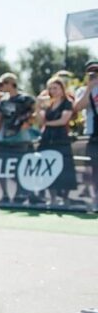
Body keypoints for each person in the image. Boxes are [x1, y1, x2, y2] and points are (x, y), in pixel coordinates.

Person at [0, 72, 38, 204]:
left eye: (3, 84)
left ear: (11, 84)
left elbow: (35, 112)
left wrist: (28, 123)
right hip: (7, 139)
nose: (1, 87)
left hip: (22, 139)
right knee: (3, 169)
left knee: (21, 169)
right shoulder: (3, 101)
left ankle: (20, 195)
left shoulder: (26, 99)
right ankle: (5, 195)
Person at [36, 77, 76, 206]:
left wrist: (47, 123)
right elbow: (40, 121)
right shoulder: (49, 104)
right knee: (47, 166)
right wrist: (37, 105)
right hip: (47, 138)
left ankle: (65, 197)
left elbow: (63, 120)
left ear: (62, 89)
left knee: (65, 167)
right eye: (51, 88)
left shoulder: (67, 103)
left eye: (56, 88)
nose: (53, 91)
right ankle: (52, 198)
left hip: (60, 138)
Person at [72, 60, 98, 211]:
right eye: (91, 72)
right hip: (92, 133)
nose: (94, 75)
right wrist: (89, 87)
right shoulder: (83, 90)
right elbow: (78, 107)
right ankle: (95, 198)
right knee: (93, 168)